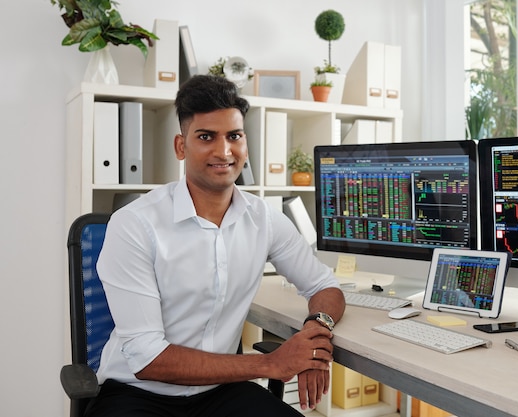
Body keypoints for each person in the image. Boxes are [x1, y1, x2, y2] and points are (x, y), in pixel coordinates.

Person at [87, 74, 345, 417]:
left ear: (245, 145)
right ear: (181, 146)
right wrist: (271, 364)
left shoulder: (264, 219)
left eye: (234, 136)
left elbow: (324, 284)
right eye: (206, 137)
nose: (223, 151)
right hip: (138, 394)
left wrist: (315, 335)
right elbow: (148, 359)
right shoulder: (135, 224)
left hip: (221, 394)